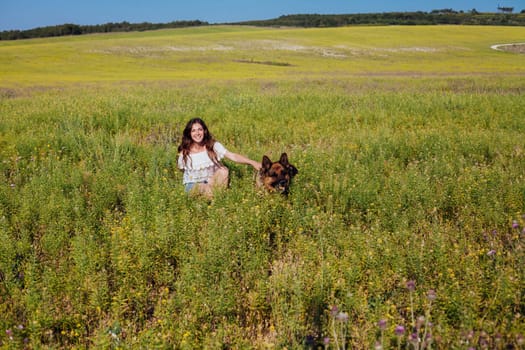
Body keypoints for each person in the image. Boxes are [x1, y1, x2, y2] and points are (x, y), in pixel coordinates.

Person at [177, 117, 261, 197]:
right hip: (193, 185)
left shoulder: (213, 146)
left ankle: (214, 199)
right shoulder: (185, 152)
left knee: (223, 170)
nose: (197, 133)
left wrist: (252, 162)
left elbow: (232, 156)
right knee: (207, 189)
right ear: (189, 134)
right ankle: (217, 197)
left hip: (210, 182)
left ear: (204, 131)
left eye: (200, 129)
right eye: (193, 131)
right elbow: (181, 169)